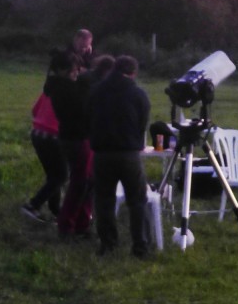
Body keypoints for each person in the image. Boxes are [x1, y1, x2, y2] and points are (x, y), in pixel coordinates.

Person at [88, 55, 152, 258]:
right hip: (128, 153)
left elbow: (88, 115)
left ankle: (108, 244)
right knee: (137, 201)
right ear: (133, 73)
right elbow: (143, 123)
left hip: (102, 153)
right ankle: (140, 245)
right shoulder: (138, 94)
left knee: (104, 200)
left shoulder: (97, 90)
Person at [44, 49, 94, 238]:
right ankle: (67, 225)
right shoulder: (67, 89)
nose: (77, 72)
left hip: (71, 137)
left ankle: (80, 223)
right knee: (80, 184)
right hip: (77, 138)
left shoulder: (58, 86)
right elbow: (83, 107)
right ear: (64, 70)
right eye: (75, 69)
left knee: (84, 182)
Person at [21, 51, 68, 223]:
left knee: (53, 175)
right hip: (53, 137)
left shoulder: (50, 88)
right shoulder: (67, 89)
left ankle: (56, 210)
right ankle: (33, 205)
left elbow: (35, 110)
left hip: (37, 134)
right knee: (61, 176)